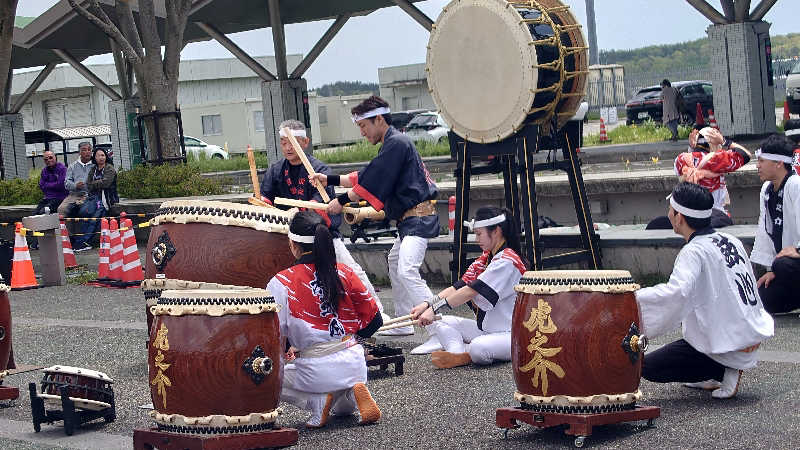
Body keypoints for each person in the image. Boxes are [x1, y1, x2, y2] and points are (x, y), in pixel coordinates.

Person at [311, 96, 440, 336]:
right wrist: (328, 179)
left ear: (379, 119)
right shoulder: (392, 144)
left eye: (363, 126)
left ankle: (439, 330)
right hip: (410, 220)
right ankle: (404, 324)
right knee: (395, 262)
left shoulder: (397, 143)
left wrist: (339, 201)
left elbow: (371, 180)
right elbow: (366, 175)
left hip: (419, 218)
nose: (362, 133)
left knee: (407, 270)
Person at [636, 182, 774, 399]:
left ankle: (722, 369)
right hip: (748, 334)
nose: (668, 214)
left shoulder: (694, 251)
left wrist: (633, 297)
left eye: (671, 210)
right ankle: (711, 373)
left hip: (727, 342)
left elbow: (676, 294)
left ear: (679, 217)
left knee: (647, 368)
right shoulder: (730, 240)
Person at [266, 211, 382, 428]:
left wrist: (290, 348)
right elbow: (375, 322)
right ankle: (349, 395)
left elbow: (274, 337)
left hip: (316, 369)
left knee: (263, 376)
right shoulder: (345, 272)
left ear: (293, 244)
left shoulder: (281, 282)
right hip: (354, 361)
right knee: (341, 410)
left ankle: (317, 402)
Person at [260, 119, 385, 316]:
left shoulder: (319, 170)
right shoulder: (275, 171)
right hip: (288, 237)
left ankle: (377, 312)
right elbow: (265, 202)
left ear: (305, 142)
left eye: (292, 142)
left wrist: (297, 214)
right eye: (283, 142)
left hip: (321, 234)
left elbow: (321, 205)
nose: (287, 147)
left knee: (350, 270)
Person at [409, 207, 526, 368]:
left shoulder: (507, 261)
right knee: (441, 322)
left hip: (511, 335)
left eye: (479, 234)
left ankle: (467, 350)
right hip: (487, 331)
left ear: (496, 231)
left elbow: (470, 291)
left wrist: (434, 309)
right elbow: (458, 287)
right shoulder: (485, 259)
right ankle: (458, 354)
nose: (476, 239)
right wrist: (427, 305)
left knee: (479, 347)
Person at [647, 126, 751, 229]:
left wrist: (692, 147)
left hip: (689, 215)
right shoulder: (717, 159)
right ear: (713, 143)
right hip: (714, 216)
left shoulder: (681, 159)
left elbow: (694, 160)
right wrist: (724, 141)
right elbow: (746, 155)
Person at [750, 134, 800, 314]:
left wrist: (797, 250)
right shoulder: (767, 189)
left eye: (762, 161)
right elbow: (766, 232)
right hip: (788, 266)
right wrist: (772, 270)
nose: (758, 166)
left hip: (793, 262)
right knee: (761, 298)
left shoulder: (796, 184)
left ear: (779, 163)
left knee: (783, 265)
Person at [72, 147, 117, 252]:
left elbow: (106, 183)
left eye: (103, 155)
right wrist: (97, 183)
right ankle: (81, 240)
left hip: (107, 198)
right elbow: (88, 184)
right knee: (85, 214)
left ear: (106, 157)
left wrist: (94, 183)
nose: (101, 158)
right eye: (98, 155)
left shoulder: (109, 168)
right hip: (94, 198)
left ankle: (86, 242)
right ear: (94, 158)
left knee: (96, 215)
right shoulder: (94, 169)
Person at [30, 151, 68, 249]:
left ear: (55, 157)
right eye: (46, 159)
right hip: (47, 198)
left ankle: (42, 242)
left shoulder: (62, 169)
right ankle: (37, 241)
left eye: (50, 158)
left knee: (43, 213)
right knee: (34, 215)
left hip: (59, 198)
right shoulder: (44, 171)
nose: (48, 160)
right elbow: (41, 185)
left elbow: (61, 185)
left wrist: (48, 185)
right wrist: (52, 185)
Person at [58, 142, 94, 219]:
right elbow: (67, 183)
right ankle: (65, 230)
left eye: (89, 150)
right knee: (61, 209)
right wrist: (75, 186)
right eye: (84, 150)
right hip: (74, 195)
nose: (87, 152)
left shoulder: (95, 165)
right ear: (79, 152)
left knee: (83, 210)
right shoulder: (72, 166)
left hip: (90, 194)